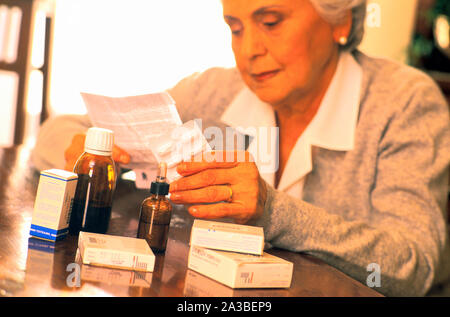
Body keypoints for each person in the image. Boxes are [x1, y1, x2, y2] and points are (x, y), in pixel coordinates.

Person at [32, 0, 450, 297]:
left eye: (271, 22)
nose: (249, 50)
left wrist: (271, 210)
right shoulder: (216, 90)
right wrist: (85, 151)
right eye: (235, 28)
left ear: (338, 18)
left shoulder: (405, 102)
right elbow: (57, 130)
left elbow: (412, 267)